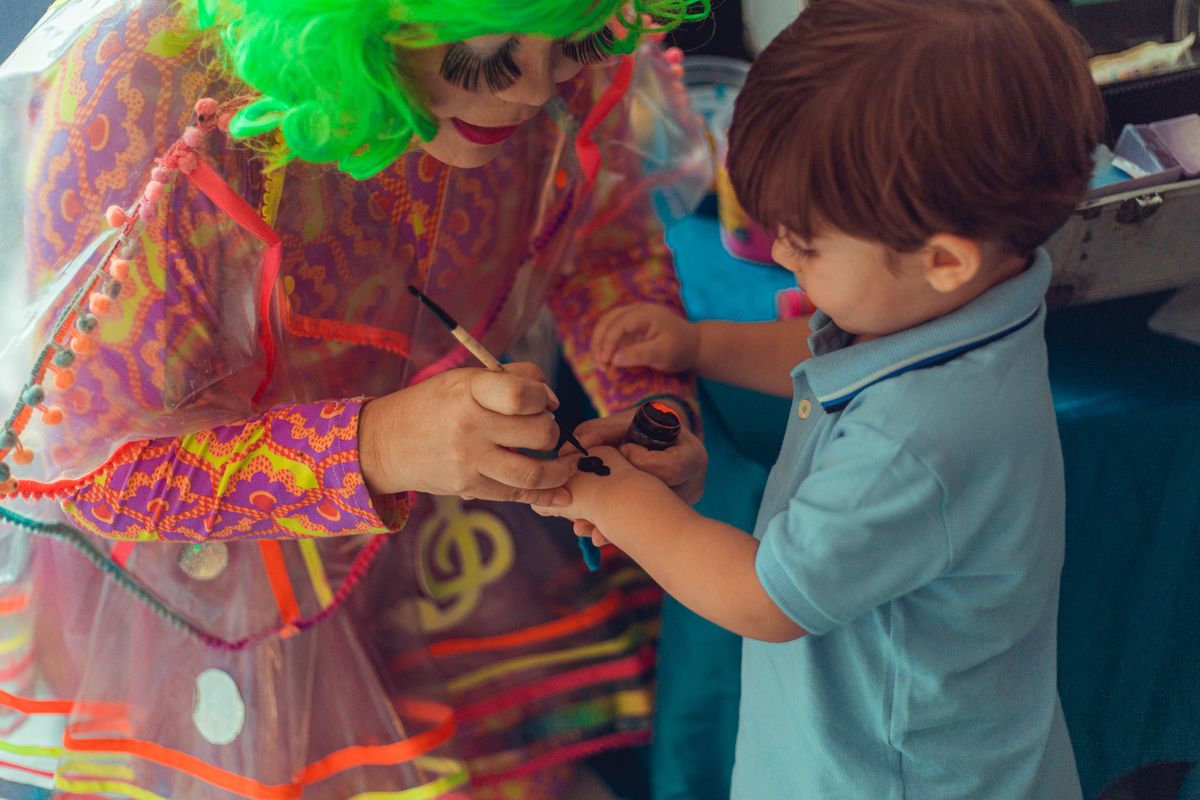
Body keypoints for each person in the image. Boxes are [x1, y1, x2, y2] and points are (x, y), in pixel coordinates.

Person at [0, 0, 713, 797]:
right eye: (487, 54)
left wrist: (652, 408)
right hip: (208, 580)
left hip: (438, 524)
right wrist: (375, 447)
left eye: (577, 44)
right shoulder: (141, 90)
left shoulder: (557, 38)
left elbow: (597, 247)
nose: (537, 92)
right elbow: (93, 463)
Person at [537, 0, 1105, 796]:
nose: (776, 251)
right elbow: (823, 355)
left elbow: (763, 596)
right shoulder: (970, 308)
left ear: (943, 259)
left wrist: (623, 501)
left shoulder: (915, 440)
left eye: (805, 242)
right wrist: (700, 346)